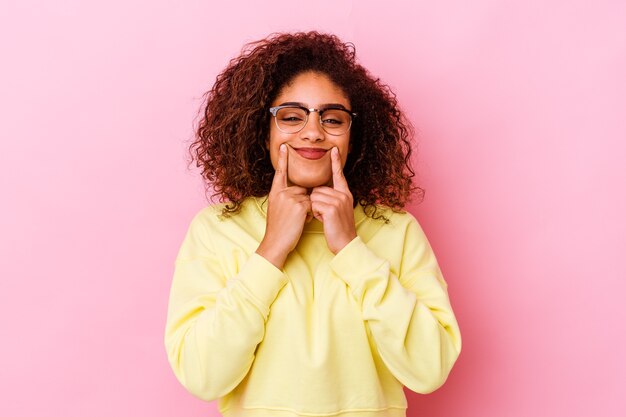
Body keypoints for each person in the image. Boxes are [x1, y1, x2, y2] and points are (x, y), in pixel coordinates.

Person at [164, 31, 461, 417]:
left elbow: (430, 369)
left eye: (332, 118)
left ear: (353, 138)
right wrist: (270, 250)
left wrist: (353, 251)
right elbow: (202, 376)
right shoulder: (217, 230)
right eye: (291, 116)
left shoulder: (396, 230)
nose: (313, 131)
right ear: (263, 130)